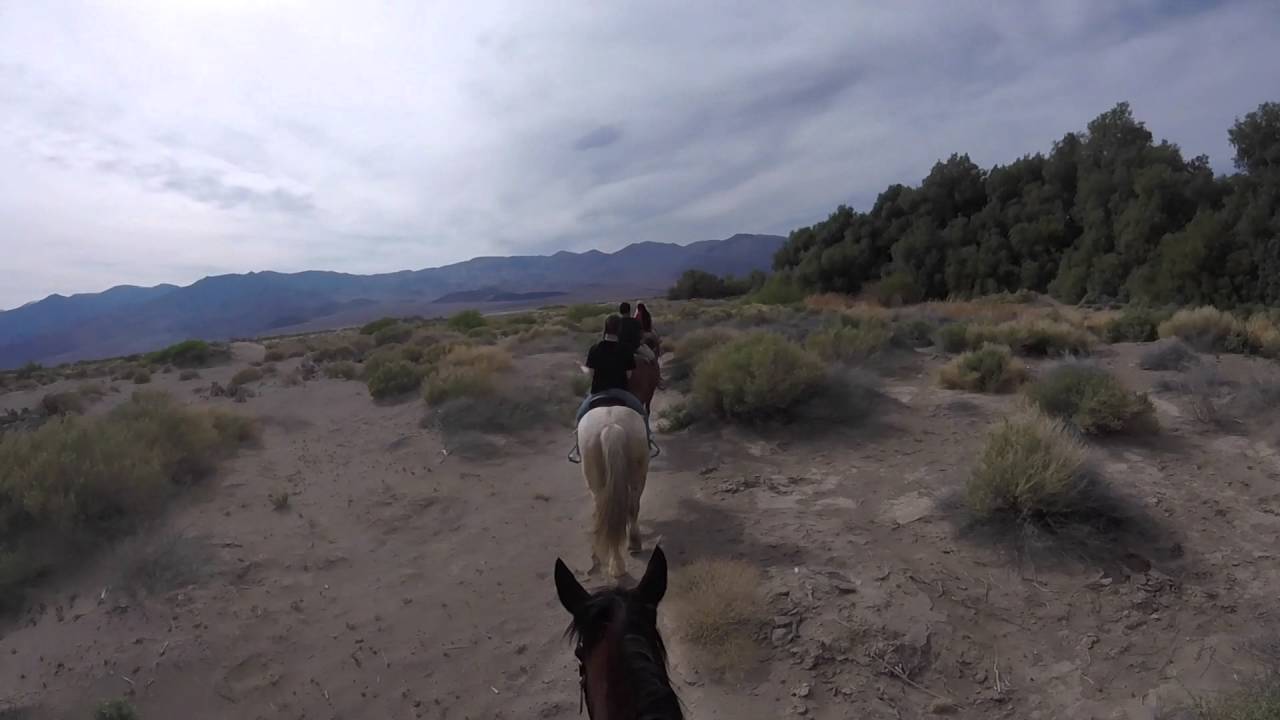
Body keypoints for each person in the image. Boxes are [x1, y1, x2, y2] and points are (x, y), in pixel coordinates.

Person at [570, 314, 654, 461]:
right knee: (642, 416)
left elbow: (590, 374)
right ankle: (648, 444)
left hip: (597, 393)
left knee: (579, 417)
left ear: (605, 328)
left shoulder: (595, 349)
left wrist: (582, 367)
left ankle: (578, 450)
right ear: (619, 330)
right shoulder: (626, 349)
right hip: (621, 393)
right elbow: (628, 376)